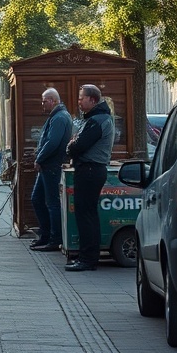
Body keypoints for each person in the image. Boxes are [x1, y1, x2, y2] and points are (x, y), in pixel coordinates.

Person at [64, 84, 114, 272]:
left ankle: (87, 258)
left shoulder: (96, 121)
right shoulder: (96, 119)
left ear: (92, 100)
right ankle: (87, 256)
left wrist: (71, 146)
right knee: (88, 214)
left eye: (81, 98)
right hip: (92, 170)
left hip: (90, 170)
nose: (78, 101)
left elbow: (78, 146)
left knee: (85, 215)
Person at [30, 88, 73, 252]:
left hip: (51, 166)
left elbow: (52, 142)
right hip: (48, 166)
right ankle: (46, 235)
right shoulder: (57, 116)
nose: (42, 104)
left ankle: (54, 238)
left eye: (44, 101)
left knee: (52, 203)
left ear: (53, 100)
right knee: (37, 199)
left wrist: (39, 158)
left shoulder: (60, 118)